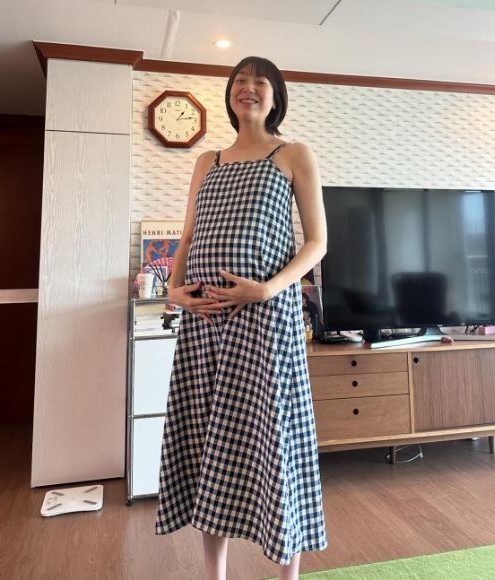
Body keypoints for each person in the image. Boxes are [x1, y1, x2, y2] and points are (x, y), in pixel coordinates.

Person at [155, 56, 328, 580]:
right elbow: (188, 236)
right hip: (205, 324)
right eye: (240, 82)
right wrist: (173, 291)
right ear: (230, 95)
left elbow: (317, 243)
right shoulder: (207, 161)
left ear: (275, 96)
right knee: (211, 443)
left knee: (274, 441)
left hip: (266, 324)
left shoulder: (293, 154)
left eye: (260, 82)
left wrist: (268, 289)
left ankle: (287, 575)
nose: (248, 88)